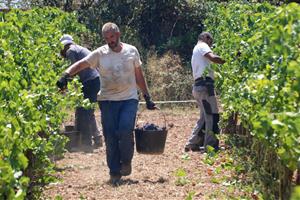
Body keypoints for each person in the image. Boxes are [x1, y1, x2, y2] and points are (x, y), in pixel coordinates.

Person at [56, 23, 156, 184]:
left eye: (112, 37)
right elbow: (81, 64)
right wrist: (65, 74)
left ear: (118, 34)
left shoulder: (132, 51)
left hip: (129, 99)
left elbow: (139, 75)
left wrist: (147, 96)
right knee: (110, 136)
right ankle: (114, 171)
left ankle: (126, 161)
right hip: (107, 101)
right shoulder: (100, 53)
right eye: (106, 38)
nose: (110, 41)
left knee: (125, 130)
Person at [59, 34, 102, 149]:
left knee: (83, 112)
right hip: (96, 80)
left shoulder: (70, 51)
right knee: (88, 111)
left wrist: (64, 84)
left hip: (90, 81)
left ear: (64, 46)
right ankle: (97, 139)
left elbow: (73, 69)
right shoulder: (80, 48)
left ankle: (86, 143)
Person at [184, 32, 225, 153]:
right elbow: (213, 58)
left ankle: (193, 143)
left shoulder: (196, 49)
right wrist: (228, 59)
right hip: (205, 86)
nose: (210, 45)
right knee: (212, 115)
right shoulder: (202, 45)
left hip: (198, 87)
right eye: (210, 42)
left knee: (204, 117)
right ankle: (211, 146)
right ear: (206, 38)